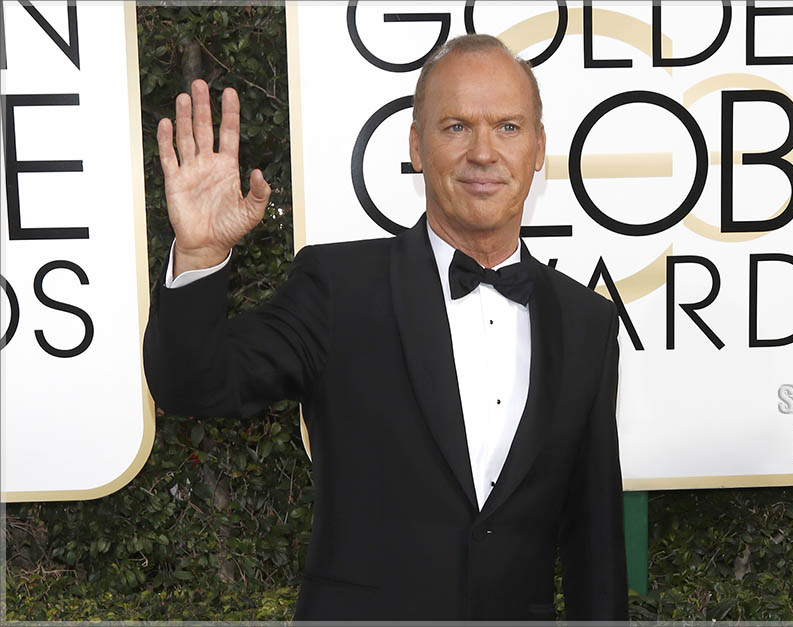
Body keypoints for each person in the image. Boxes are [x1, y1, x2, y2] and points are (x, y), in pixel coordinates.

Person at [144, 34, 627, 621]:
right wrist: (198, 255)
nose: (483, 152)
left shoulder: (587, 323)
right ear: (417, 146)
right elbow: (193, 385)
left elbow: (595, 545)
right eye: (455, 127)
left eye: (507, 127)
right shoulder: (339, 288)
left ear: (538, 147)